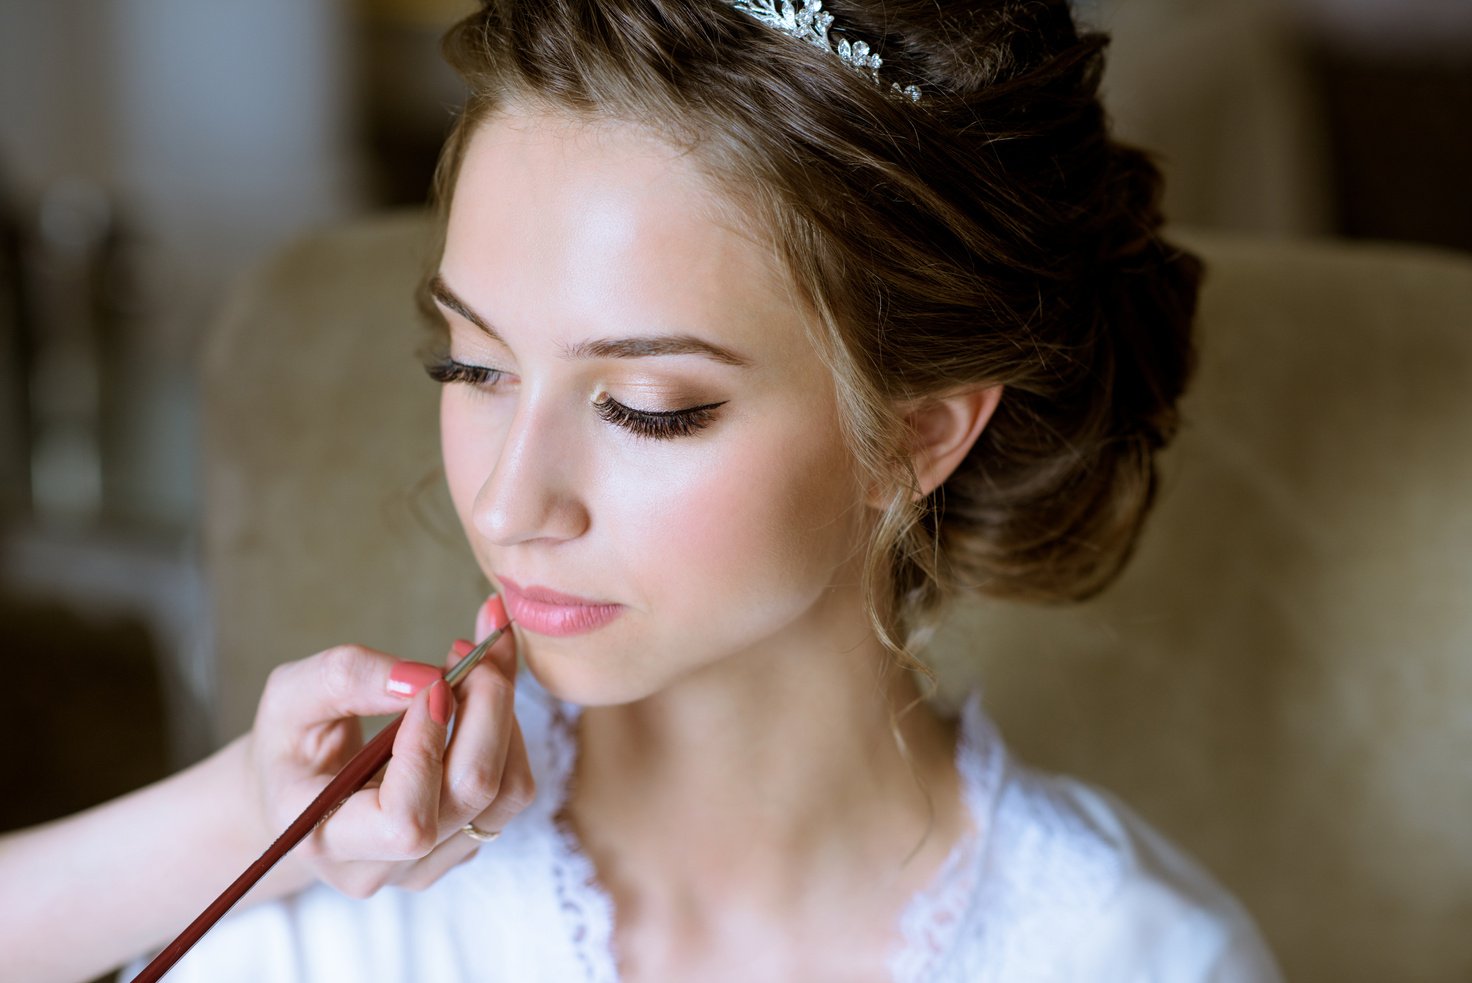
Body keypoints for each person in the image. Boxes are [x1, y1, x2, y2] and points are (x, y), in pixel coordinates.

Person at [2, 1, 1283, 980]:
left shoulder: (1135, 953)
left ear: (917, 434)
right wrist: (233, 819)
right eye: (473, 364)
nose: (508, 501)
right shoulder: (334, 917)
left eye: (646, 407)